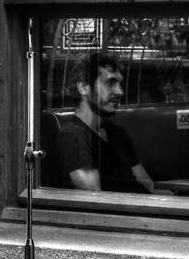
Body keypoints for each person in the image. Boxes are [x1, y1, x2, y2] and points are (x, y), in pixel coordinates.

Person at [57, 52, 157, 193]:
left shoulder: (117, 133)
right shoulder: (73, 134)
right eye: (110, 83)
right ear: (84, 87)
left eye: (119, 83)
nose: (120, 92)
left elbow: (148, 186)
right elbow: (94, 198)